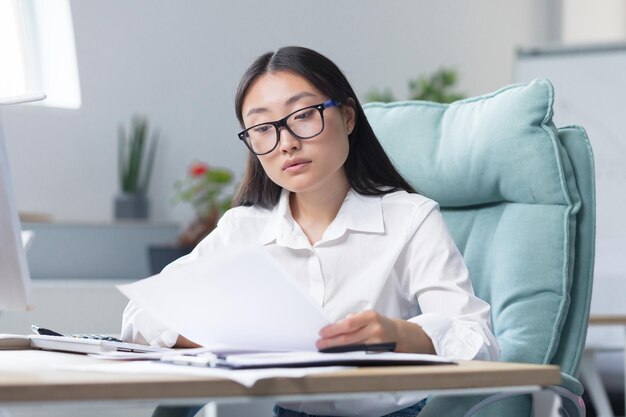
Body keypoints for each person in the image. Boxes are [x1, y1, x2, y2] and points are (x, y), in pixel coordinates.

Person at [122, 46, 500, 417]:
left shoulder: (410, 218)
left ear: (348, 117)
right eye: (263, 128)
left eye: (303, 115)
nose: (286, 143)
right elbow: (143, 314)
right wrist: (222, 342)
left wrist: (400, 335)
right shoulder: (244, 228)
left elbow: (477, 340)